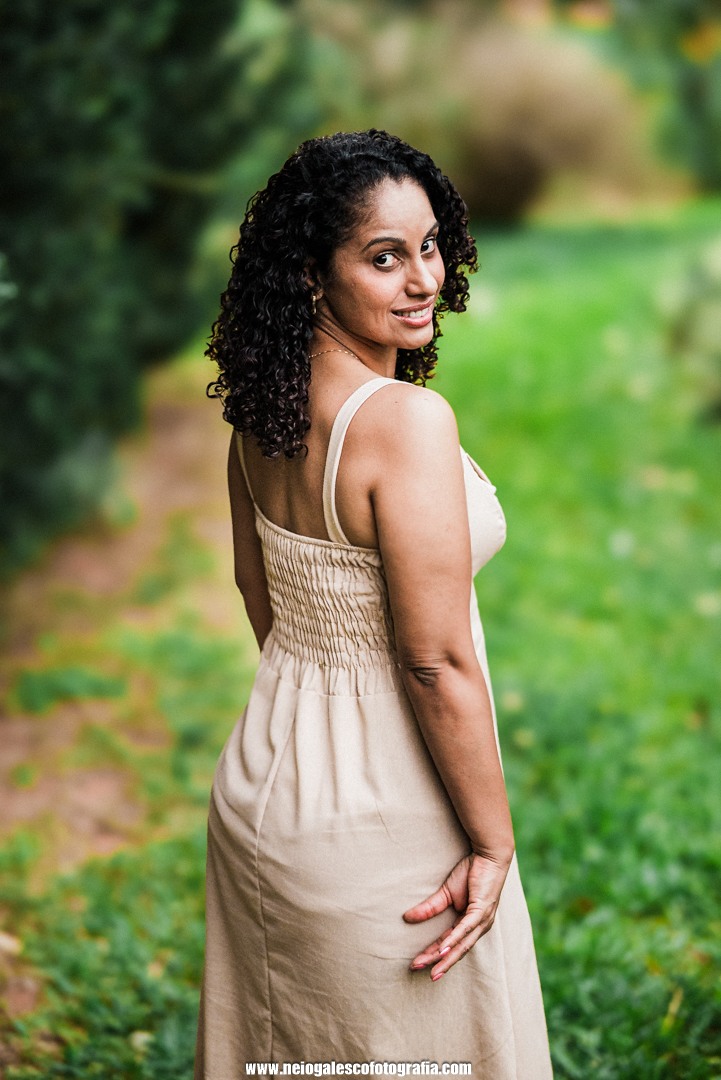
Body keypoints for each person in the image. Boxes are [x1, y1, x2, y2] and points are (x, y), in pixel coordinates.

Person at [195, 130, 552, 1080]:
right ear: (313, 277)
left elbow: (259, 594)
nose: (424, 278)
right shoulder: (403, 422)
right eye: (383, 257)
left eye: (429, 246)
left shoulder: (261, 413)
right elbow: (432, 660)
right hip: (386, 811)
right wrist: (492, 843)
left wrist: (319, 705)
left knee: (295, 1053)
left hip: (268, 782)